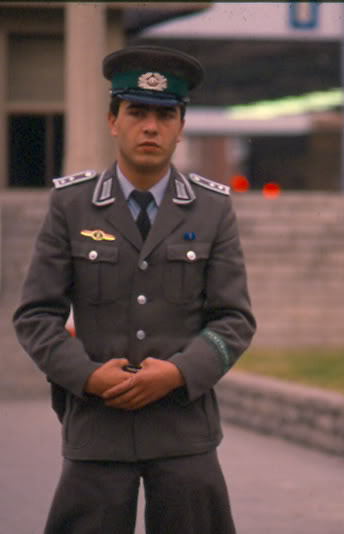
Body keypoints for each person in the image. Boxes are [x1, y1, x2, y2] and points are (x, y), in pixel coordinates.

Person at [14, 45, 255, 534]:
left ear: (181, 125)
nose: (150, 126)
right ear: (113, 121)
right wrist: (86, 376)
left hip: (183, 429)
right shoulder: (72, 205)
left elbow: (234, 320)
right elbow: (35, 315)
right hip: (96, 429)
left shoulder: (211, 210)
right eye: (137, 112)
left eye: (165, 115)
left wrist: (177, 373)